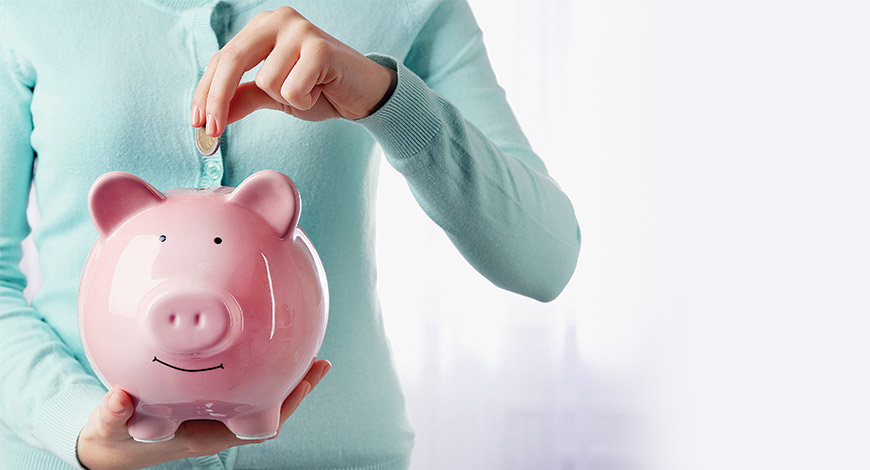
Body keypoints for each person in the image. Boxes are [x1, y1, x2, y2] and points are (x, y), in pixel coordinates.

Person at [0, 0, 581, 469]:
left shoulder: (410, 7)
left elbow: (545, 259)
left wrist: (385, 100)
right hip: (62, 455)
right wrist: (73, 422)